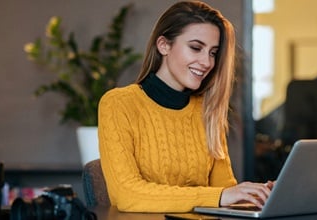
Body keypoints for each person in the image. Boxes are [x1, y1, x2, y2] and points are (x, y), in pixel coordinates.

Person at [98, 1, 274, 212]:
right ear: (163, 45)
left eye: (212, 52)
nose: (207, 62)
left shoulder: (207, 110)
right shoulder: (118, 104)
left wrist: (256, 195)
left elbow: (224, 190)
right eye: (196, 48)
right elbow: (127, 195)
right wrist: (220, 196)